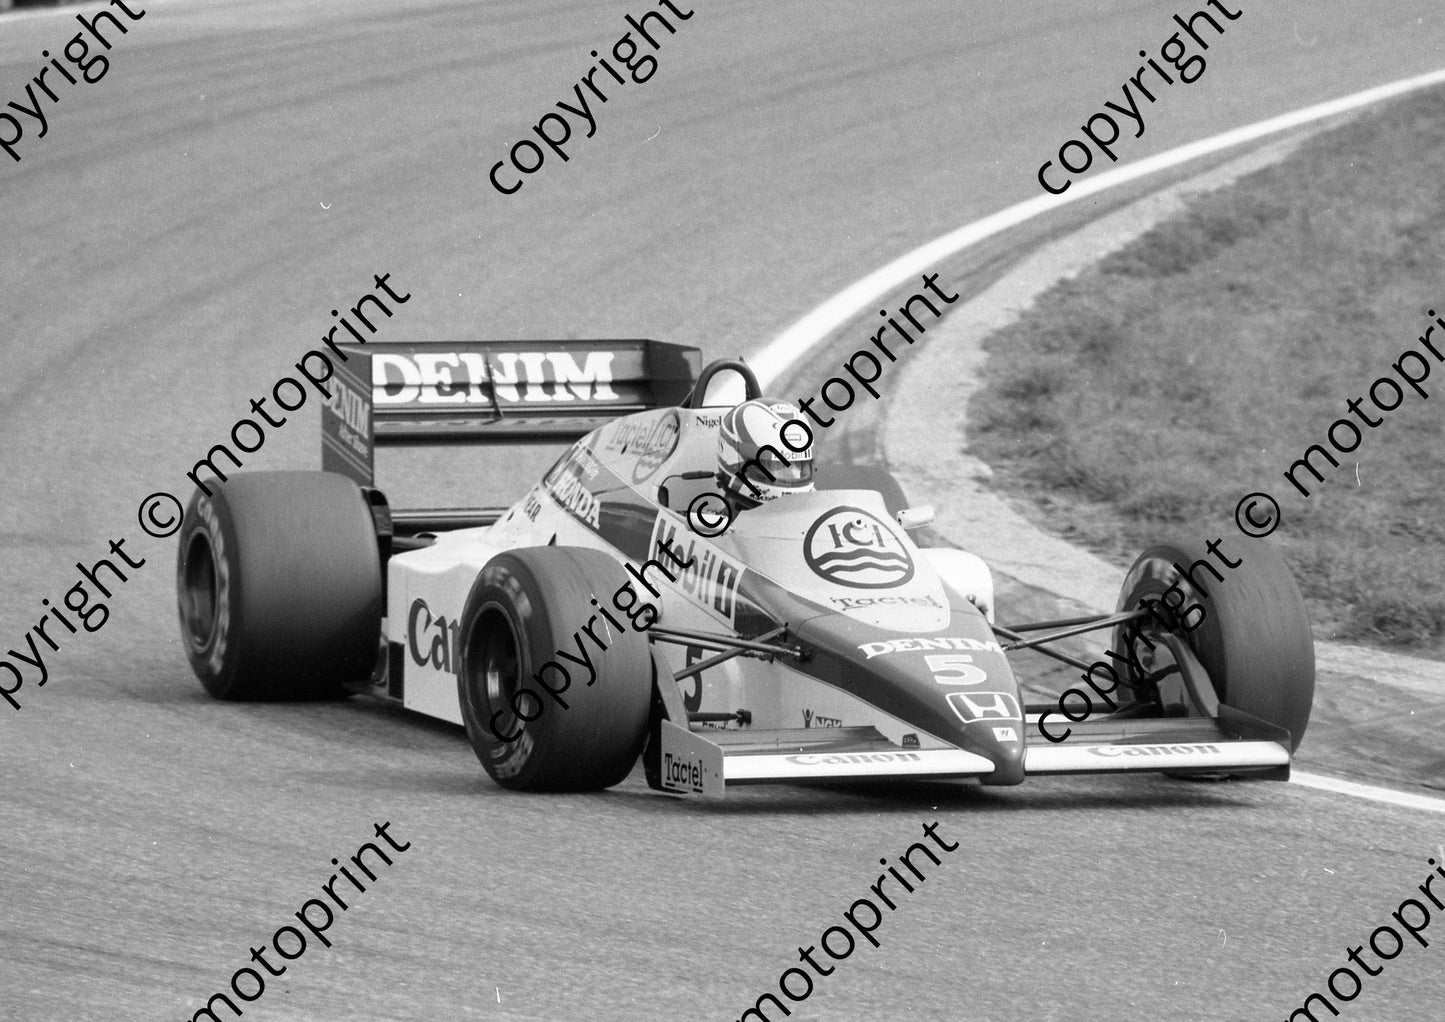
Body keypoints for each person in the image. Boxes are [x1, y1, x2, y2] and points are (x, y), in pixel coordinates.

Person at [715, 398, 815, 511]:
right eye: (779, 466)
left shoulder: (820, 513)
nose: (794, 473)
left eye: (799, 465)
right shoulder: (707, 526)